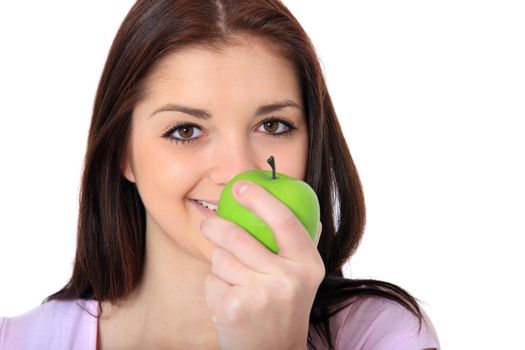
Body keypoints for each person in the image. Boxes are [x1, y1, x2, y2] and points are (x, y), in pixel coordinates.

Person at [0, 0, 440, 349]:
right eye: (185, 130)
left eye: (273, 126)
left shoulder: (380, 335)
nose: (238, 174)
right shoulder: (15, 341)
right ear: (123, 154)